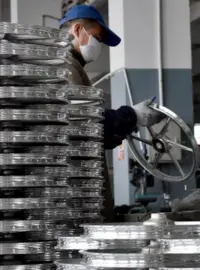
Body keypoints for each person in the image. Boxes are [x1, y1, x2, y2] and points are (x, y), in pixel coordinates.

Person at [59, 5, 163, 221]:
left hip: (83, 190)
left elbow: (94, 133)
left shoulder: (75, 69)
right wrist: (129, 115)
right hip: (75, 192)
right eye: (97, 37)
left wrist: (121, 128)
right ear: (78, 30)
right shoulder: (64, 68)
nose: (99, 47)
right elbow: (80, 126)